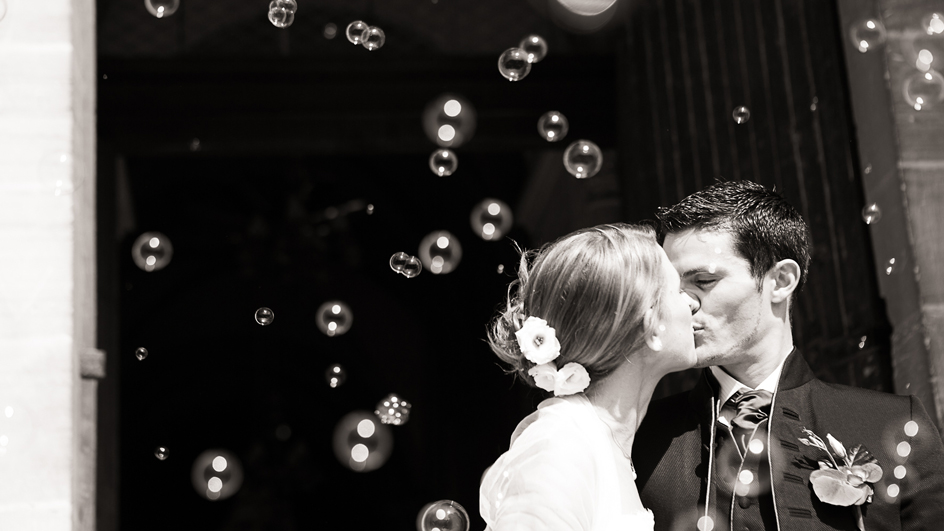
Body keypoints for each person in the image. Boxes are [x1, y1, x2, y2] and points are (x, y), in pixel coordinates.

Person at [633, 180, 944, 531]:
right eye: (672, 287)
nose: (682, 303)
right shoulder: (638, 435)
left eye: (703, 281)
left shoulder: (891, 421)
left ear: (780, 281)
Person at [479, 223, 699, 530]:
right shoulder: (561, 447)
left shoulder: (601, 444)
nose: (692, 303)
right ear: (652, 326)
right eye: (678, 291)